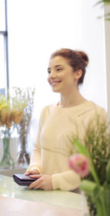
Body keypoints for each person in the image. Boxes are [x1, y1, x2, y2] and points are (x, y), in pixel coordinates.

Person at [25, 48, 108, 192]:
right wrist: (35, 168)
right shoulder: (47, 111)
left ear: (77, 73)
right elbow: (38, 149)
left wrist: (55, 181)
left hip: (78, 200)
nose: (52, 75)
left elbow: (97, 165)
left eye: (58, 69)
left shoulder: (96, 114)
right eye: (49, 71)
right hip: (45, 198)